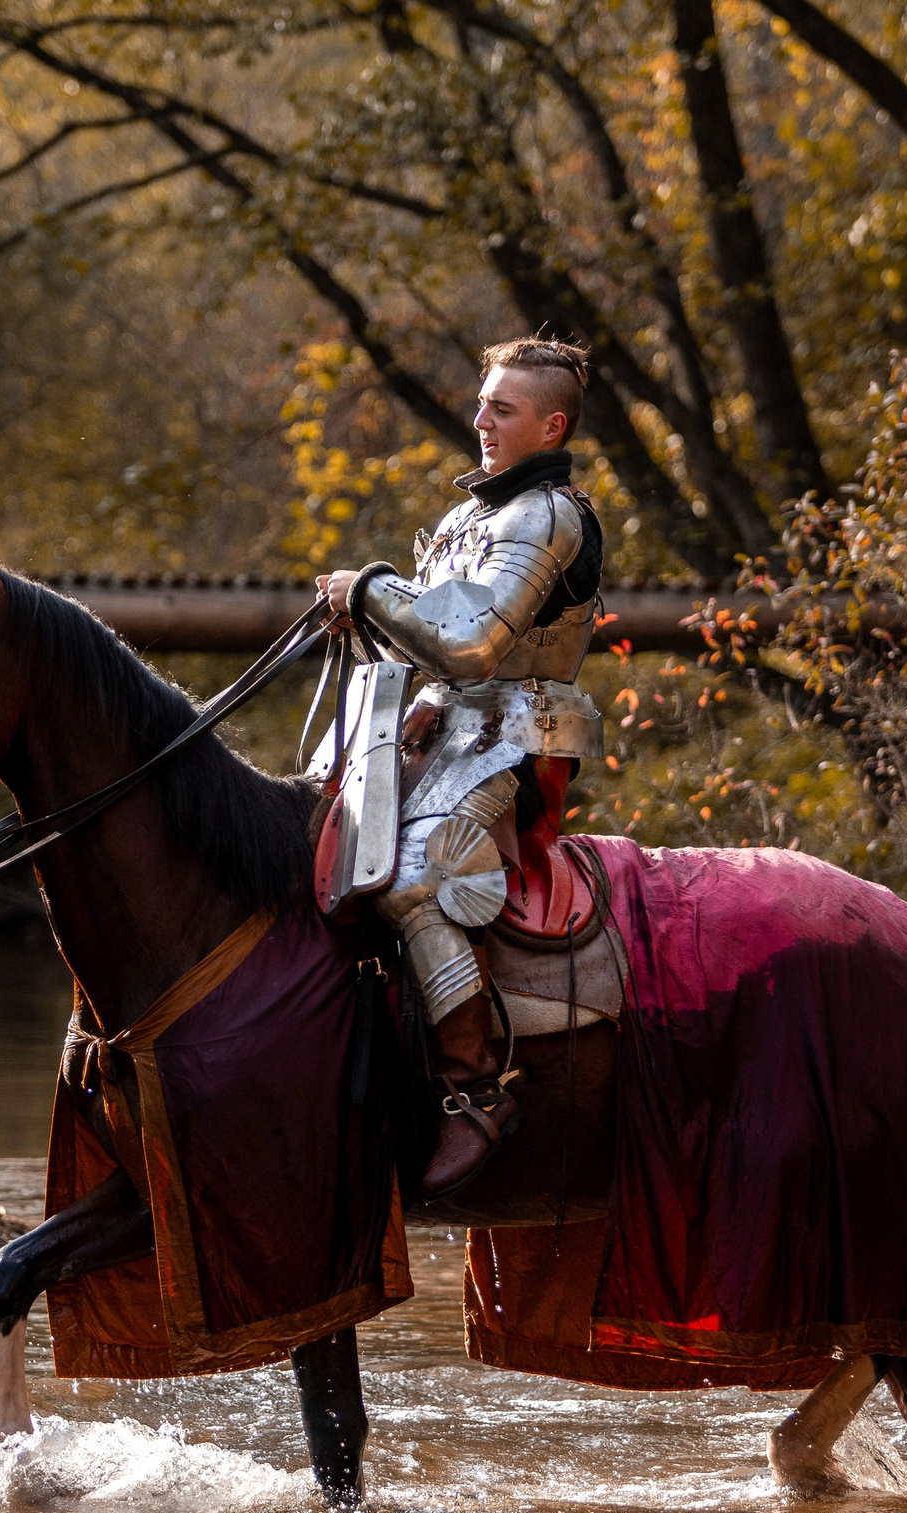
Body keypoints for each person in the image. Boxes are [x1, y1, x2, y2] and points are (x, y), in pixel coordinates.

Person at [315, 338, 604, 1199]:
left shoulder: (547, 514)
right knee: (321, 839)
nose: (480, 420)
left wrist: (368, 586)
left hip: (518, 741)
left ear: (550, 425)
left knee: (411, 877)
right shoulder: (468, 518)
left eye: (502, 409)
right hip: (441, 728)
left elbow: (474, 645)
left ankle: (477, 1090)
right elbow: (438, 642)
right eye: (482, 403)